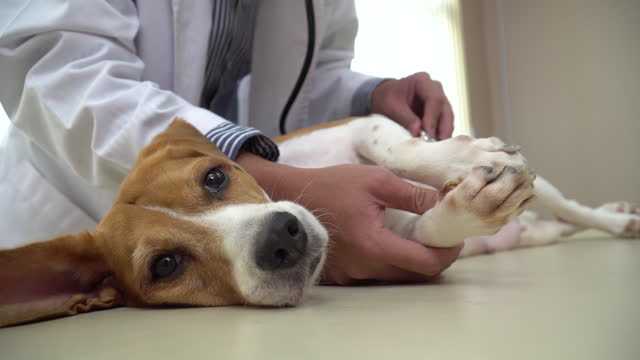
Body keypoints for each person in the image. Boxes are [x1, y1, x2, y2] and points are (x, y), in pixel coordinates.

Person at [0, 0, 461, 284]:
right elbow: (64, 74)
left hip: (242, 256)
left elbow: (297, 88)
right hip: (78, 210)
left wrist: (368, 95)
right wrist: (274, 185)